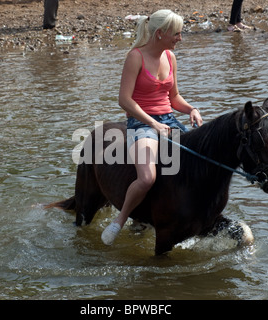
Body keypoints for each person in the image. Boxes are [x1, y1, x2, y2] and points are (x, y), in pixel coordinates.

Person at [101, 9, 203, 246]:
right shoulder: (135, 57)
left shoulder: (170, 57)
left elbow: (174, 97)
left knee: (198, 165)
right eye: (176, 34)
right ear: (160, 34)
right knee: (147, 178)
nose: (180, 38)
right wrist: (152, 123)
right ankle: (120, 220)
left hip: (168, 120)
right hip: (141, 124)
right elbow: (124, 100)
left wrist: (191, 110)